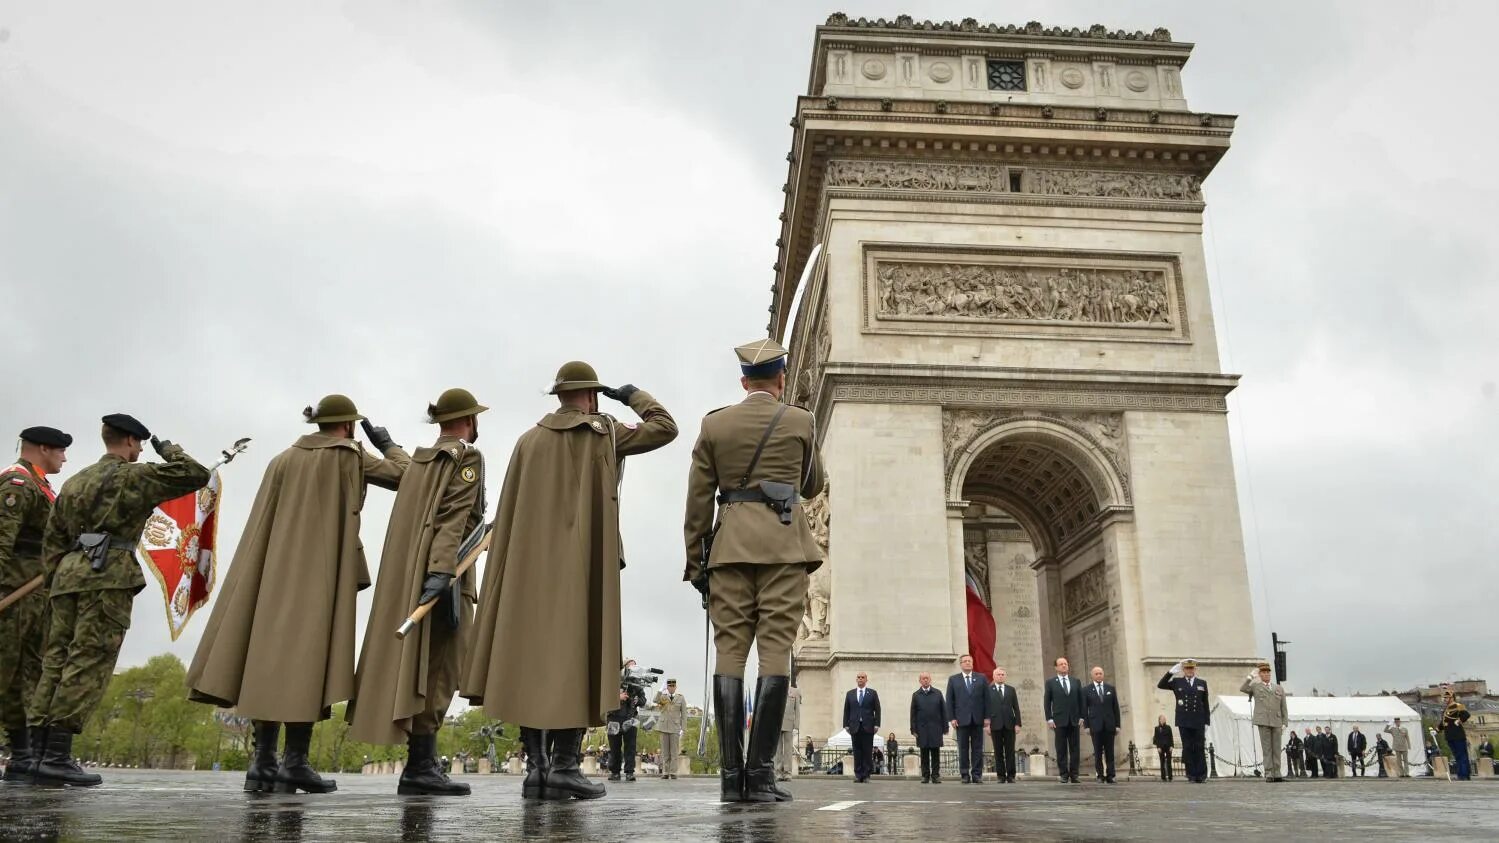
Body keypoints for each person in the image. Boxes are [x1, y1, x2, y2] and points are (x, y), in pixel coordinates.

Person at [463, 362, 676, 802]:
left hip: (528, 568)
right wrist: (632, 394)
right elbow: (665, 427)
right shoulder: (605, 430)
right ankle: (563, 766)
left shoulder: (527, 440)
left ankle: (536, 770)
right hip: (583, 562)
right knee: (579, 656)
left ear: (559, 396)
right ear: (593, 395)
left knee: (531, 660)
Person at [188, 396, 408, 794]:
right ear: (348, 426)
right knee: (309, 661)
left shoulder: (282, 459)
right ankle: (295, 763)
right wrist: (389, 445)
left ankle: (262, 762)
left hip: (270, 572)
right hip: (320, 573)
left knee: (266, 660)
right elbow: (409, 478)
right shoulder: (350, 454)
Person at [30, 415, 209, 787]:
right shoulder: (136, 476)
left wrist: (55, 581)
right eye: (140, 443)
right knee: (88, 659)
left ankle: (37, 752)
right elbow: (195, 474)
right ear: (129, 441)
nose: (142, 450)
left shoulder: (76, 481)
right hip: (107, 574)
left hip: (67, 575)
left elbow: (53, 538)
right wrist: (168, 448)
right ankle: (58, 755)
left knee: (55, 660)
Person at [683, 338, 824, 804]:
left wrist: (696, 562)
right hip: (783, 547)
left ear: (744, 382)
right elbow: (812, 483)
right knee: (775, 652)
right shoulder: (800, 420)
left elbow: (698, 501)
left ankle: (729, 778)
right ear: (781, 380)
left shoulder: (715, 424)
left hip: (728, 551)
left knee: (730, 654)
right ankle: (760, 775)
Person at [346, 389, 487, 796]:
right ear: (469, 420)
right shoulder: (467, 457)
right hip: (449, 576)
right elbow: (453, 517)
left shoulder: (425, 459)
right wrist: (442, 572)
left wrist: (388, 446)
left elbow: (412, 472)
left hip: (417, 576)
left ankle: (419, 764)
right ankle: (421, 767)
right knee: (442, 669)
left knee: (424, 668)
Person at [0, 425, 70, 782]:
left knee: (25, 676)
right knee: (4, 673)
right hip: (11, 595)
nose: (64, 457)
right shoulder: (17, 484)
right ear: (43, 448)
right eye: (60, 451)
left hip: (33, 596)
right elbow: (2, 542)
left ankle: (22, 753)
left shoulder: (40, 485)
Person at [1157, 658, 1211, 783]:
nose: (1189, 671)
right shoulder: (1177, 682)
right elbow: (1161, 685)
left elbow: (1205, 703)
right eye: (1187, 668)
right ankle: (1191, 775)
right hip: (1184, 720)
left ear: (1195, 669)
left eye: (1191, 668)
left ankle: (1201, 775)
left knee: (1199, 747)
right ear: (1183, 670)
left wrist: (1207, 721)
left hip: (1198, 719)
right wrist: (1170, 672)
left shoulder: (1202, 683)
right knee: (1187, 747)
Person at [1238, 661, 1287, 783]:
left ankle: (1277, 772)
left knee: (1276, 748)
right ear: (1260, 674)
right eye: (1263, 672)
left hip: (1276, 720)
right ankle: (1269, 772)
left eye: (1268, 672)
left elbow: (1283, 706)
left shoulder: (1278, 688)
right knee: (1267, 749)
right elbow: (1243, 688)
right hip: (1263, 720)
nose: (1266, 674)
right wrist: (1250, 677)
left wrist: (1285, 722)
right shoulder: (1256, 687)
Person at [945, 654, 988, 784]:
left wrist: (987, 717)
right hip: (961, 719)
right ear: (961, 664)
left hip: (978, 719)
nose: (968, 663)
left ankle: (976, 774)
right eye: (965, 661)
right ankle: (964, 774)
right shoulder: (954, 679)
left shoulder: (981, 678)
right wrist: (951, 718)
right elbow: (949, 700)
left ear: (972, 663)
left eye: (970, 661)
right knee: (963, 748)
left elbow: (987, 699)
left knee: (977, 748)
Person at [1044, 656, 1085, 784]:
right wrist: (1049, 718)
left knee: (1075, 748)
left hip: (1074, 720)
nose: (1064, 666)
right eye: (1061, 664)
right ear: (1056, 667)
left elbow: (1081, 701)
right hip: (1059, 720)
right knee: (1061, 748)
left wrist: (1082, 716)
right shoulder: (1051, 682)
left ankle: (1074, 774)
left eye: (1065, 664)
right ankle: (1063, 774)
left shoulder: (1075, 681)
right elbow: (1047, 702)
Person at [606, 662, 647, 783]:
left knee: (630, 747)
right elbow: (604, 696)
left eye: (635, 665)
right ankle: (615, 772)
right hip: (614, 718)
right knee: (614, 747)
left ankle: (629, 772)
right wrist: (617, 697)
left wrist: (637, 700)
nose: (633, 668)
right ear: (624, 667)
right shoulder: (613, 680)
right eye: (631, 665)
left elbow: (643, 700)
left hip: (631, 718)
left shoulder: (637, 683)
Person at [986, 667, 1022, 783]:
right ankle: (1000, 776)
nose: (1000, 676)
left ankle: (1011, 775)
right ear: (993, 676)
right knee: (998, 751)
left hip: (1009, 725)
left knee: (1010, 751)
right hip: (995, 725)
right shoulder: (988, 690)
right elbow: (985, 708)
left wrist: (1018, 724)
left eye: (1002, 674)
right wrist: (986, 725)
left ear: (1005, 676)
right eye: (998, 674)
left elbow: (1016, 708)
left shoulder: (1011, 690)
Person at [843, 672, 881, 783]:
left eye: (862, 677)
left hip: (868, 726)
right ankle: (858, 774)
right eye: (858, 677)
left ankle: (867, 774)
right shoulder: (850, 694)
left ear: (866, 680)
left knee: (867, 751)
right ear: (856, 679)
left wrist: (877, 724)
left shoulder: (872, 693)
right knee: (857, 751)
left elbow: (877, 710)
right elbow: (846, 710)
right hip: (854, 726)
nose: (860, 679)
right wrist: (845, 725)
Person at [909, 672, 946, 784]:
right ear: (920, 681)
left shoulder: (938, 693)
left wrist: (945, 727)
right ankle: (925, 776)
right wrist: (913, 729)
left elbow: (944, 711)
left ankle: (935, 776)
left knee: (935, 753)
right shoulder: (916, 695)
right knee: (924, 753)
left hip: (936, 728)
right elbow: (913, 713)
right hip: (922, 729)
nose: (925, 680)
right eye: (923, 678)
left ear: (930, 680)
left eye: (927, 678)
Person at [654, 679, 687, 780]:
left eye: (673, 686)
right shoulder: (663, 697)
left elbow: (684, 714)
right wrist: (660, 690)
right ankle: (665, 772)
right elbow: (655, 700)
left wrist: (683, 728)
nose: (671, 688)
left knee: (674, 752)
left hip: (675, 727)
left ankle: (673, 772)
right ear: (667, 687)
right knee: (665, 752)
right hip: (664, 727)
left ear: (676, 687)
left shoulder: (680, 698)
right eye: (669, 686)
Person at [1439, 689, 1472, 781]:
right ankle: (1461, 774)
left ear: (1451, 698)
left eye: (1446, 698)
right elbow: (1443, 723)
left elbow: (1466, 715)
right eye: (1444, 698)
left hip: (1458, 734)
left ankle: (1464, 775)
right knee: (1457, 756)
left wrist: (1460, 720)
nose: (1445, 699)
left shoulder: (1458, 706)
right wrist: (1437, 729)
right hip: (1449, 735)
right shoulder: (1445, 709)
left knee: (1462, 756)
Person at [775, 683, 801, 781]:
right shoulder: (776, 689)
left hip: (789, 724)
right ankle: (778, 772)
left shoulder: (795, 691)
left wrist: (796, 725)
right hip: (777, 723)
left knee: (788, 750)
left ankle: (787, 773)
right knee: (778, 750)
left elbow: (797, 709)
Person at [1153, 714, 1175, 780]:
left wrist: (1172, 746)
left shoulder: (1168, 727)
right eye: (1162, 719)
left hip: (1168, 746)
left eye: (1164, 719)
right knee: (1162, 762)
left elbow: (1171, 737)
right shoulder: (1157, 728)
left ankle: (1170, 777)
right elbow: (1156, 739)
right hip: (1161, 747)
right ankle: (1163, 777)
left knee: (1169, 762)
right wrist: (1158, 747)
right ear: (1159, 720)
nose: (1164, 720)